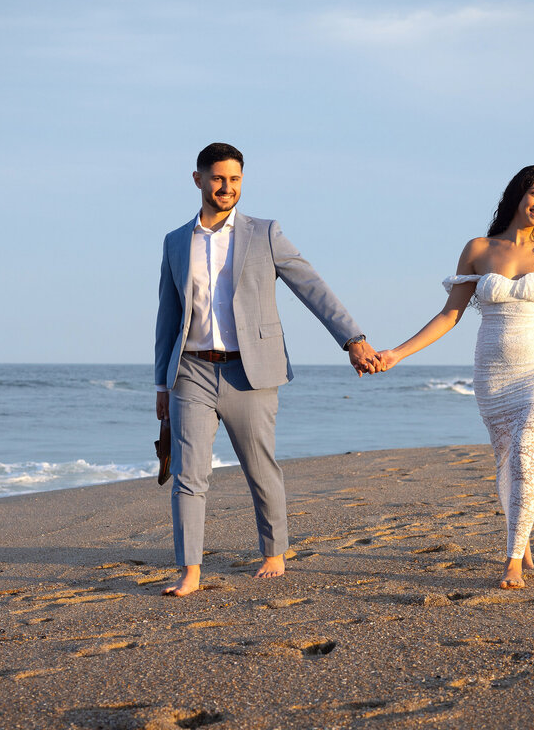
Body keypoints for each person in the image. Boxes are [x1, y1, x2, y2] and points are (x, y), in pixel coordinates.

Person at [155, 142, 381, 597]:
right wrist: (161, 381)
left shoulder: (265, 233)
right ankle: (190, 570)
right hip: (192, 372)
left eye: (235, 179)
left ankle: (274, 551)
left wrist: (353, 340)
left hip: (249, 372)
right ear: (198, 179)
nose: (226, 187)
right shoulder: (177, 241)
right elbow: (168, 314)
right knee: (188, 474)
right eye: (218, 178)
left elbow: (311, 286)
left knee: (260, 467)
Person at [375, 165, 534, 589]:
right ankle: (521, 540)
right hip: (492, 373)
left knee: (525, 452)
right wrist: (397, 353)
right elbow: (450, 315)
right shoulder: (478, 248)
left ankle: (512, 563)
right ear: (517, 194)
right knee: (506, 461)